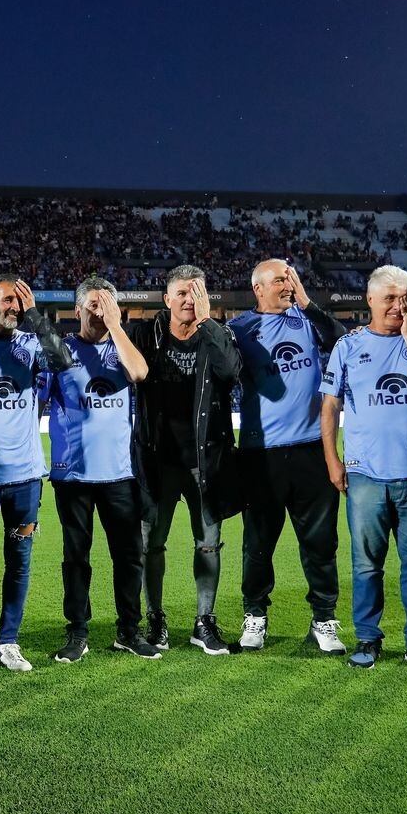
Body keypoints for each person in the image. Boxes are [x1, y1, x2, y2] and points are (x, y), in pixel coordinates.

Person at [319, 265, 407, 673]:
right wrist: (332, 459)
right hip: (365, 476)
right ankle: (368, 638)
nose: (399, 305)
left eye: (405, 297)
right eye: (390, 298)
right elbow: (330, 405)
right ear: (371, 299)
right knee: (366, 564)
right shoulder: (348, 346)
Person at [0, 275, 73, 672]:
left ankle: (8, 641)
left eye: (19, 303)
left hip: (24, 477)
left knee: (19, 562)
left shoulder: (30, 343)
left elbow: (63, 362)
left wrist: (36, 314)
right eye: (7, 301)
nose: (13, 308)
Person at [228, 259, 347, 654]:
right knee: (258, 542)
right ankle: (255, 615)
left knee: (320, 542)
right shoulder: (239, 329)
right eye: (279, 279)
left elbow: (341, 338)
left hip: (313, 449)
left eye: (290, 278)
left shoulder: (307, 319)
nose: (287, 284)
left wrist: (309, 303)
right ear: (258, 288)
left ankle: (324, 620)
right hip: (261, 454)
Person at [42, 277, 160, 663]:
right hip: (73, 476)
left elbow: (140, 374)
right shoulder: (62, 350)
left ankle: (129, 630)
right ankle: (77, 630)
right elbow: (40, 396)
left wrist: (116, 326)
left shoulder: (122, 348)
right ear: (76, 310)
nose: (99, 311)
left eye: (107, 304)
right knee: (76, 556)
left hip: (119, 474)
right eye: (93, 304)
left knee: (129, 556)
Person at [129, 264, 244, 655]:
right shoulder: (146, 334)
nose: (188, 300)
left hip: (205, 461)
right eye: (180, 293)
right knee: (151, 544)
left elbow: (231, 372)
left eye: (196, 292)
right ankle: (155, 618)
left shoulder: (217, 335)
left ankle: (203, 621)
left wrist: (209, 321)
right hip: (157, 461)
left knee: (209, 544)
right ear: (166, 299)